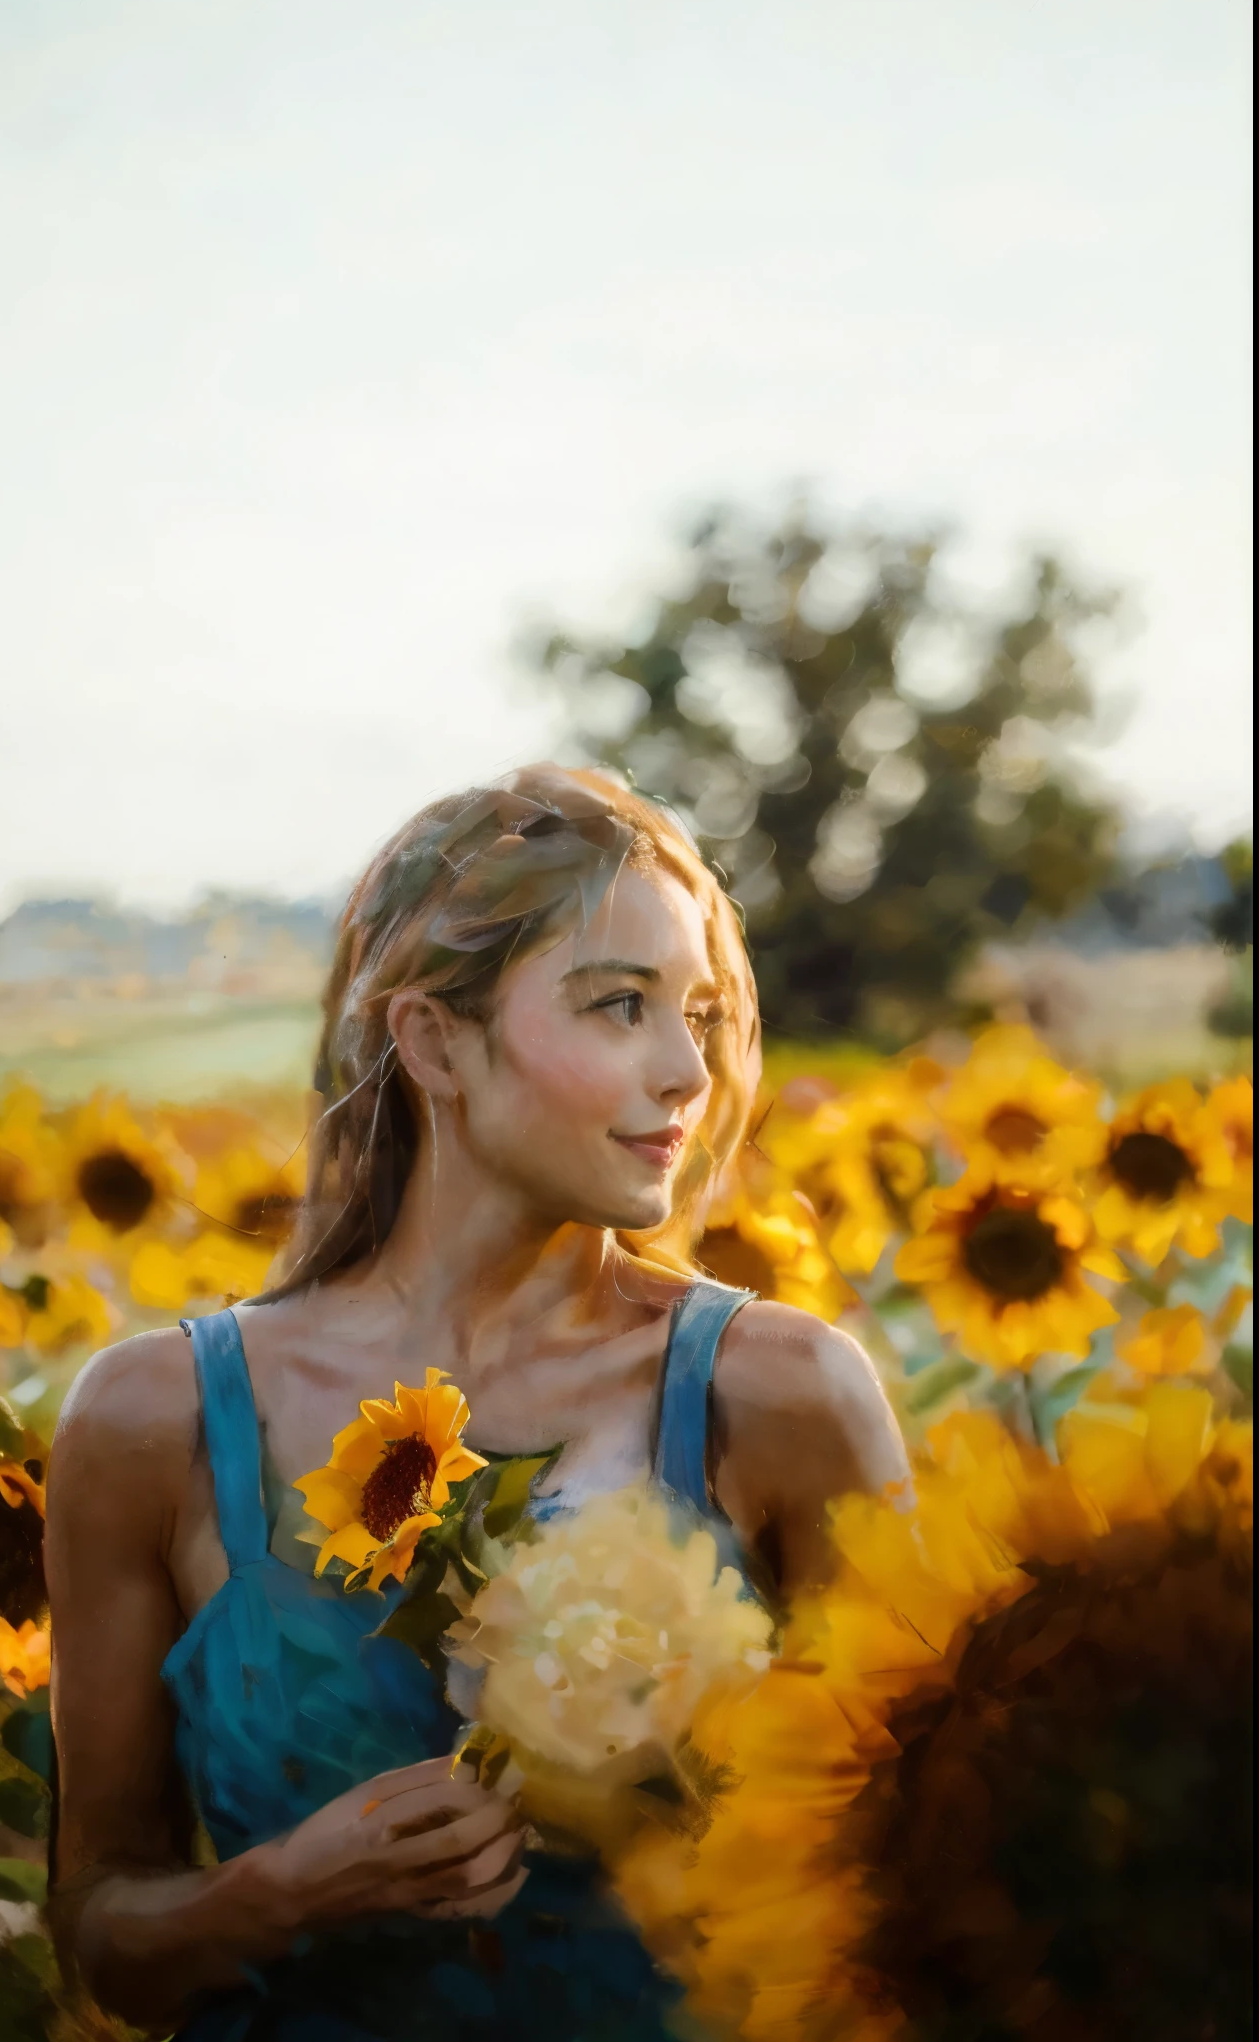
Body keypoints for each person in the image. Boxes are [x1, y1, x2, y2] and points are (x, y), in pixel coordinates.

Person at [46, 765, 909, 2040]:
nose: (686, 1068)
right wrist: (274, 1892)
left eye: (702, 1011)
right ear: (434, 1041)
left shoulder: (779, 1395)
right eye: (620, 1005)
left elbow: (916, 1877)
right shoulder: (153, 1418)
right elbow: (98, 1928)